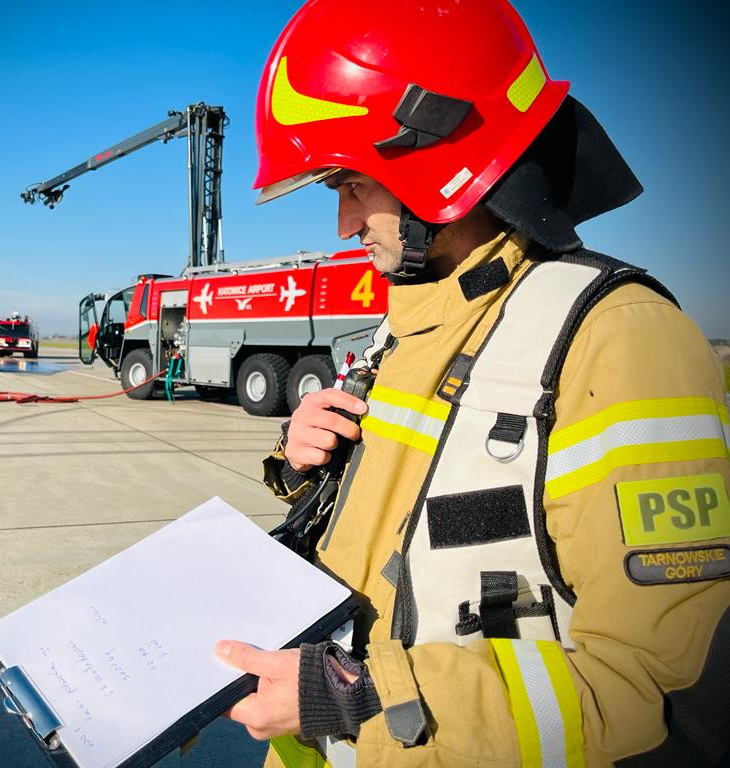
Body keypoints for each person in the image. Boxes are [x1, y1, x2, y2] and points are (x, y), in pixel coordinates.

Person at [214, 1, 730, 765]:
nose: (344, 226)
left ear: (432, 160)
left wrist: (356, 697)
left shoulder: (619, 340)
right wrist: (307, 471)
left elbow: (657, 688)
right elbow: (426, 528)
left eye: (351, 186)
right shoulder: (415, 320)